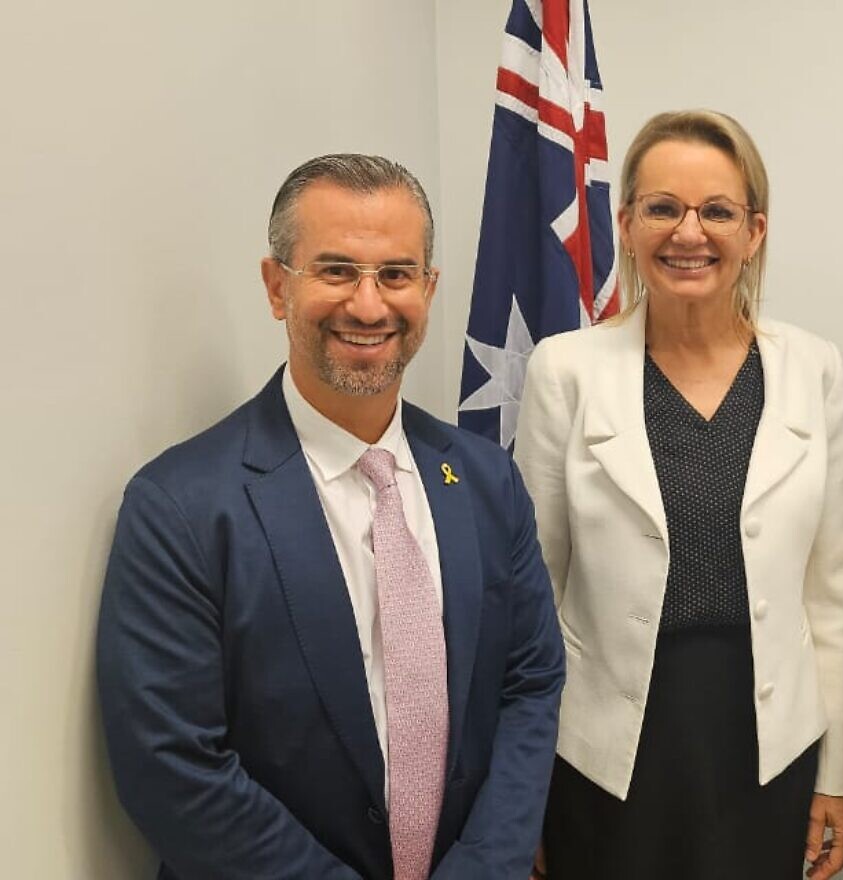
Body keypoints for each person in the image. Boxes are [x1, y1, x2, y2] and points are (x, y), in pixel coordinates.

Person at [96, 154, 565, 880]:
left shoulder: (484, 480)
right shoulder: (180, 507)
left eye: (396, 274)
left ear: (430, 289)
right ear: (277, 286)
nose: (370, 305)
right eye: (337, 271)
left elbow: (529, 682)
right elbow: (171, 766)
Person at [514, 110, 843, 880]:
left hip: (769, 738)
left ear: (755, 231)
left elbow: (835, 594)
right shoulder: (564, 370)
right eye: (663, 208)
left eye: (717, 212)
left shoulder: (814, 368)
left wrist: (838, 774)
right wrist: (522, 784)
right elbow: (531, 596)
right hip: (607, 748)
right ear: (628, 223)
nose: (688, 232)